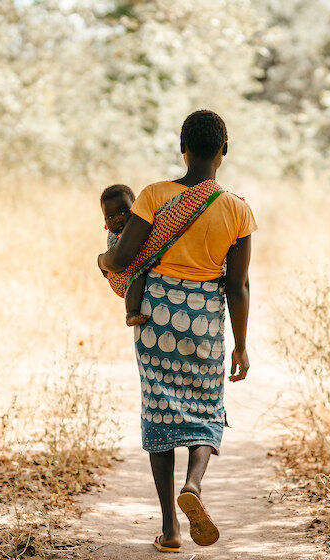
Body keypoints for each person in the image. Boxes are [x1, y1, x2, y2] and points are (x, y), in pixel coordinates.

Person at [97, 109, 256, 553]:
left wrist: (102, 261)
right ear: (223, 153)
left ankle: (170, 529)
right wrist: (240, 346)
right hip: (205, 318)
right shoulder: (238, 210)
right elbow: (238, 286)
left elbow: (125, 255)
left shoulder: (152, 196)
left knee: (160, 411)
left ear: (182, 149)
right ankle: (195, 485)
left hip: (155, 317)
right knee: (206, 407)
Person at [100, 184, 149, 326]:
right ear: (104, 221)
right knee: (138, 279)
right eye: (110, 216)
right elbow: (121, 258)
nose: (117, 219)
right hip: (126, 272)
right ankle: (131, 313)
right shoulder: (114, 236)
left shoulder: (137, 225)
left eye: (123, 213)